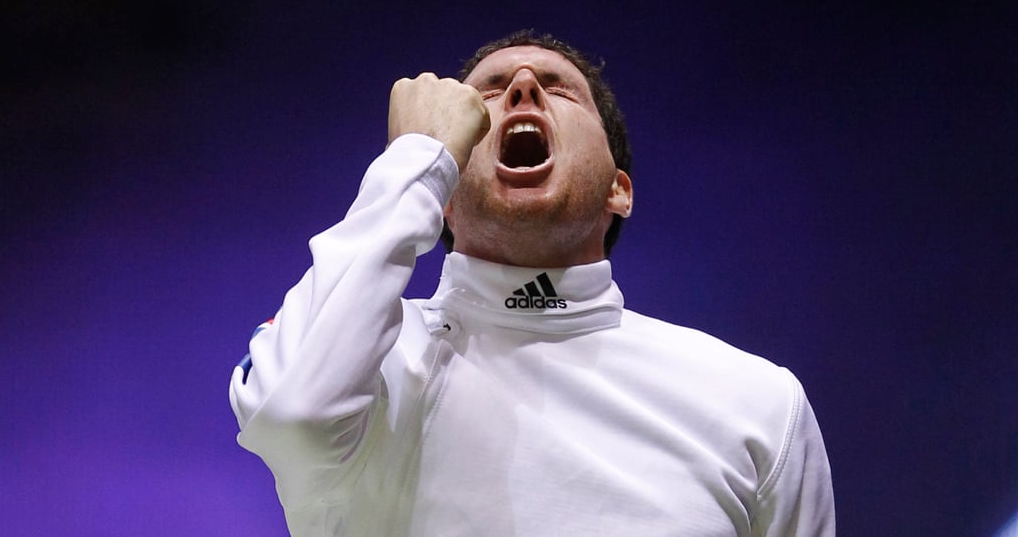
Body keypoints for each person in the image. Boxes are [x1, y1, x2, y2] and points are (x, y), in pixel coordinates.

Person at [229, 31, 836, 535]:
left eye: (559, 89)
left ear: (617, 190)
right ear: (443, 186)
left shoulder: (757, 402)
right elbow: (295, 418)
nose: (522, 88)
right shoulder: (368, 359)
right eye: (486, 96)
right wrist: (414, 159)